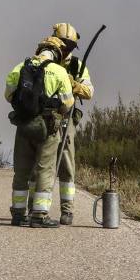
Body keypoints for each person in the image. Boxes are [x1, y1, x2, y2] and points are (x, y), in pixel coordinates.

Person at [5, 37, 75, 228]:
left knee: (21, 171)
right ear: (57, 53)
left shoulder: (21, 67)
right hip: (48, 128)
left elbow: (8, 94)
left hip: (24, 126)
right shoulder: (59, 72)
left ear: (40, 49)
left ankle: (18, 214)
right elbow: (68, 103)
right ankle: (39, 215)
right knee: (45, 169)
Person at [49, 23, 94, 225]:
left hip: (67, 121)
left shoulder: (77, 66)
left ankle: (67, 210)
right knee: (40, 164)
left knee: (67, 164)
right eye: (64, 44)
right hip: (46, 119)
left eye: (70, 46)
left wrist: (74, 84)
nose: (66, 49)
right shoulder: (45, 59)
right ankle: (37, 208)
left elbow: (89, 92)